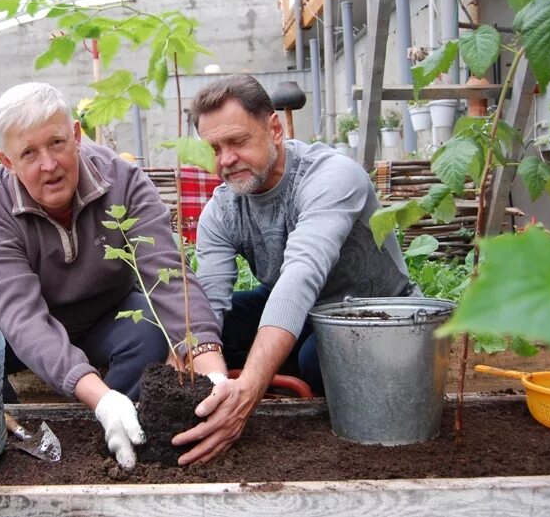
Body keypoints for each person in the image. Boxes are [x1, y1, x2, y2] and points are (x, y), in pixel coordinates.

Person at [0, 82, 228, 470]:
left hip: (108, 316)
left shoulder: (123, 182)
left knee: (148, 327)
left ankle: (121, 436)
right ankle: (11, 438)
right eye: (29, 153)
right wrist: (99, 397)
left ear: (76, 135)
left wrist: (210, 365)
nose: (48, 164)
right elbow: (23, 319)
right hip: (22, 331)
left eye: (56, 143)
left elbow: (166, 274)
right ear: (6, 161)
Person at [172, 74, 417, 465]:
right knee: (208, 327)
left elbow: (301, 276)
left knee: (314, 359)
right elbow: (207, 305)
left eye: (237, 142)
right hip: (300, 312)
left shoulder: (331, 176)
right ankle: (259, 374)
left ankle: (276, 371)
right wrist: (212, 378)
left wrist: (250, 388)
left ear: (274, 128)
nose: (226, 160)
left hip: (372, 312)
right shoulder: (222, 209)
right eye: (215, 148)